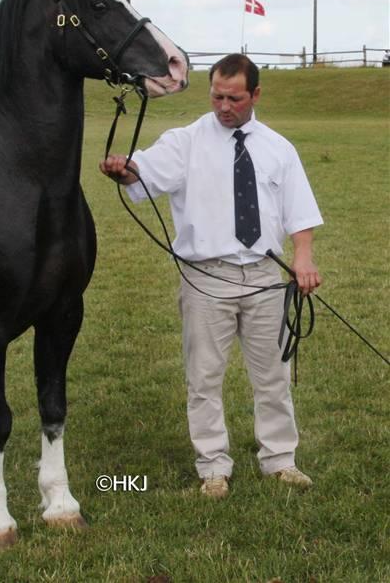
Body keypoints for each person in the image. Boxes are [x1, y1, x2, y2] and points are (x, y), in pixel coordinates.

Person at [100, 54, 322, 499]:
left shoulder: (279, 149)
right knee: (203, 377)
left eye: (234, 98)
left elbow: (300, 212)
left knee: (273, 375)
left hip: (264, 277)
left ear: (255, 95)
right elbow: (145, 172)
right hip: (206, 278)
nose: (224, 106)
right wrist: (126, 170)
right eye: (217, 96)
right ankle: (213, 467)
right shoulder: (184, 142)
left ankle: (280, 460)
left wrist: (304, 257)